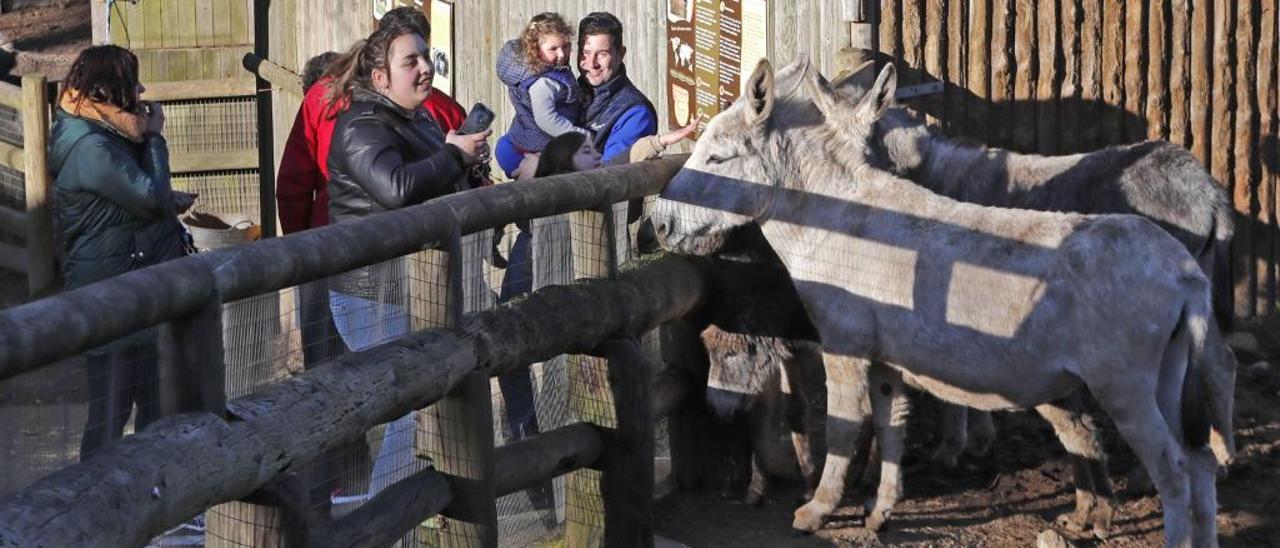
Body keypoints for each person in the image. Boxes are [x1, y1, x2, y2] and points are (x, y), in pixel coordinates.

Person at [323, 18, 489, 505]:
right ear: (380, 79)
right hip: (373, 294)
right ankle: (387, 519)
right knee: (412, 405)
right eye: (409, 61)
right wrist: (453, 157)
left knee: (430, 399)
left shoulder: (418, 119)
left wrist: (461, 161)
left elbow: (428, 184)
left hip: (418, 285)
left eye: (425, 57)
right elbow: (395, 189)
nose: (424, 69)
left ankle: (422, 515)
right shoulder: (362, 127)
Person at [47, 45, 192, 460]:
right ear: (111, 88)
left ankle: (155, 502)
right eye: (132, 82)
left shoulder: (103, 131)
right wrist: (155, 136)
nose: (141, 90)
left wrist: (167, 197)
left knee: (154, 407)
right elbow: (147, 197)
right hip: (113, 297)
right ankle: (91, 505)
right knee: (110, 415)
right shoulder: (91, 144)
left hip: (136, 289)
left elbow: (124, 199)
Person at [493, 12, 590, 177]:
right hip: (539, 146)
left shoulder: (550, 70)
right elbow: (546, 119)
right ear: (535, 49)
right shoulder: (543, 83)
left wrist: (580, 97)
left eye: (566, 46)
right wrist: (578, 135)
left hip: (525, 140)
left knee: (504, 146)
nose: (562, 54)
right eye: (553, 49)